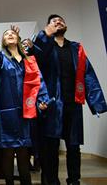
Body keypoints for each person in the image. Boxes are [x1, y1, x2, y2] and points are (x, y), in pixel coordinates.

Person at [34, 14, 107, 185]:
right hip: (52, 104)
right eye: (54, 21)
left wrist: (97, 103)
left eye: (61, 20)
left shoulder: (76, 48)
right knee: (50, 146)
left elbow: (88, 74)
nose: (58, 22)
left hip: (73, 104)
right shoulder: (44, 46)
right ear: (47, 27)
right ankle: (51, 180)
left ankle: (74, 179)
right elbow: (36, 57)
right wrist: (46, 34)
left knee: (73, 146)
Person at [0, 18, 49, 185]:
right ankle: (10, 182)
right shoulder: (0, 59)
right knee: (8, 150)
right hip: (6, 112)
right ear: (3, 41)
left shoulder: (29, 60)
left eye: (12, 33)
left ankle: (26, 182)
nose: (10, 35)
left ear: (18, 39)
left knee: (24, 150)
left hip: (26, 110)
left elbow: (38, 82)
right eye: (6, 34)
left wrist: (42, 100)